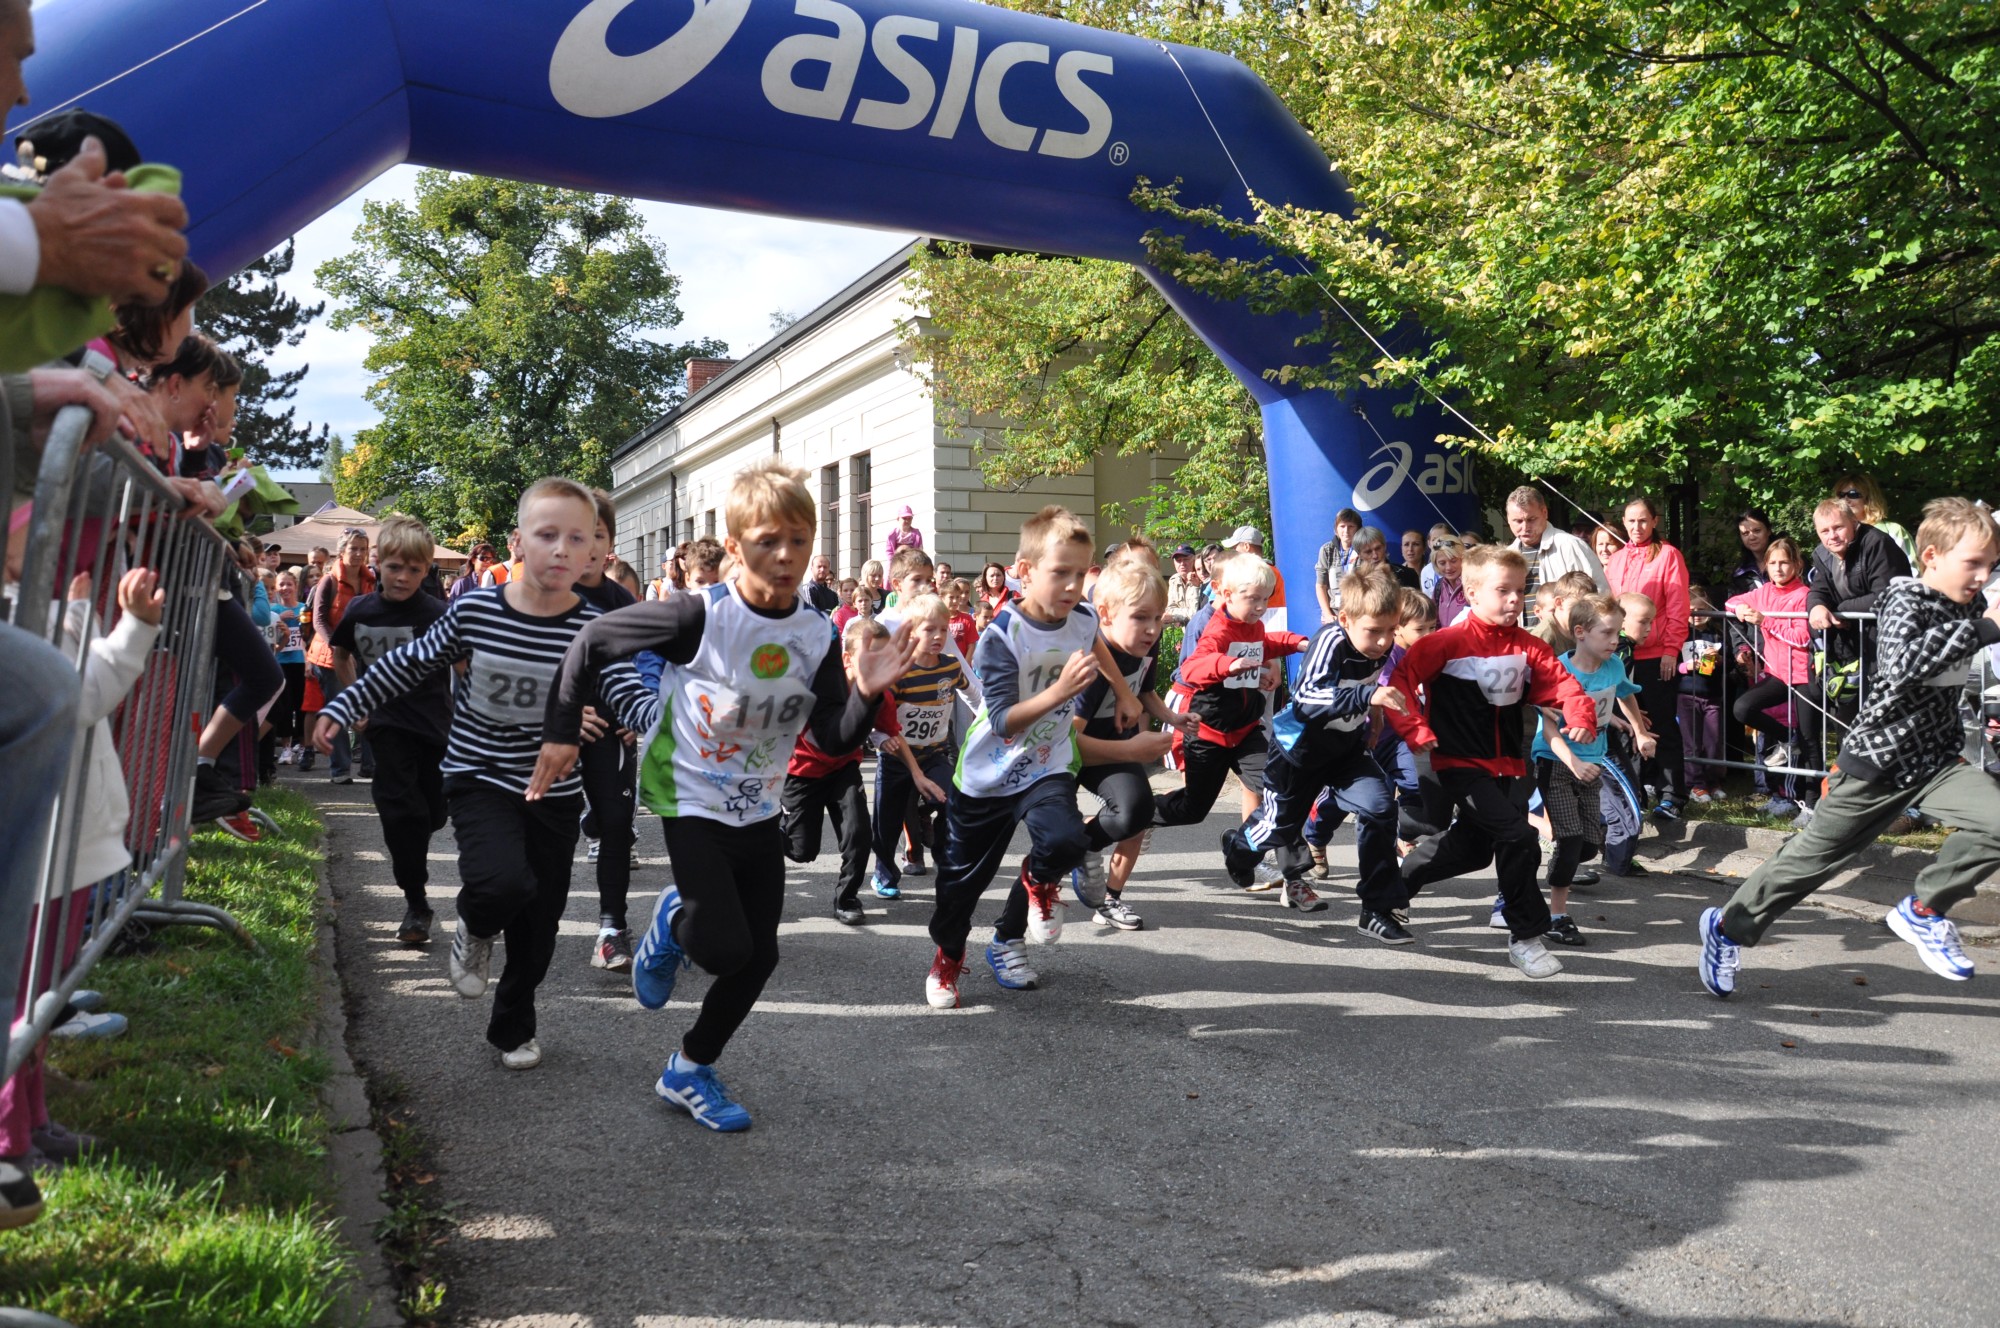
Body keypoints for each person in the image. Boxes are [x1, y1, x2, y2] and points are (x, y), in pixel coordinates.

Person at [533, 458, 913, 1130]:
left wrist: (863, 693)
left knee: (759, 958)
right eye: (768, 541)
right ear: (735, 547)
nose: (786, 555)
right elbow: (590, 641)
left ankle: (688, 1068)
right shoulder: (699, 615)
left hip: (758, 804)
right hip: (688, 795)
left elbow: (830, 733)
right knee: (721, 949)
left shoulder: (816, 632)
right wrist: (562, 732)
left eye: (799, 540)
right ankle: (674, 923)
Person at [314, 478, 608, 1073]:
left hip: (555, 790)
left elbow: (626, 686)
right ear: (519, 541)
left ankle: (513, 1025)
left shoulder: (594, 626)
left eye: (577, 538)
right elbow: (408, 663)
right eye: (546, 534)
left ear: (592, 551)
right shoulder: (475, 609)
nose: (560, 548)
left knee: (540, 924)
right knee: (502, 885)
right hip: (480, 774)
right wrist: (345, 703)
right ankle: (475, 921)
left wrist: (649, 717)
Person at [1698, 498, 2000, 997]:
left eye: (1990, 565)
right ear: (1932, 556)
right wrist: (1986, 627)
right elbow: (1902, 666)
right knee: (1812, 861)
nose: (1983, 575)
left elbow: (1949, 676)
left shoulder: (1966, 606)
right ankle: (1728, 928)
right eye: (1974, 563)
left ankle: (1923, 910)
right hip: (1877, 762)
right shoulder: (1905, 599)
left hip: (1936, 762)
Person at [0, 566, 161, 1188]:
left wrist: (87, 616)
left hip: (69, 841)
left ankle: (33, 1117)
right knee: (24, 998)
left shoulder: (43, 601)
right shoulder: (22, 614)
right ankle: (10, 1137)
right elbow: (81, 696)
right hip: (43, 841)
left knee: (45, 994)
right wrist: (132, 628)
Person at [922, 505, 1106, 1007]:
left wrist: (1124, 693)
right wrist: (1061, 691)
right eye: (1060, 573)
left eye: (1080, 574)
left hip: (1046, 761)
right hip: (988, 773)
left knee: (1066, 840)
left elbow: (1095, 640)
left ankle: (1038, 880)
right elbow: (1003, 721)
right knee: (959, 887)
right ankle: (948, 956)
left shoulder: (1083, 615)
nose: (1072, 586)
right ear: (1024, 571)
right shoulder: (1000, 636)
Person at [1384, 544, 1595, 974]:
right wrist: (1416, 729)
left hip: (1509, 765)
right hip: (1458, 764)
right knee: (1519, 837)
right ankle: (1526, 937)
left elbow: (1562, 684)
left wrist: (1580, 714)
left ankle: (1391, 889)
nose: (1515, 599)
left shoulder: (1528, 646)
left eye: (1520, 590)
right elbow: (1400, 684)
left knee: (1472, 851)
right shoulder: (1445, 643)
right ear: (1473, 593)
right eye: (1503, 590)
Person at [1223, 566, 1409, 934]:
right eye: (1374, 631)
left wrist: (1373, 716)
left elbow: (1367, 682)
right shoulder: (1331, 641)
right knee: (1277, 828)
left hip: (1346, 751)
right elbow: (1308, 699)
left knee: (1380, 808)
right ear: (1345, 619)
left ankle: (1377, 910)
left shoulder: (1378, 642)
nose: (1384, 642)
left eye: (1392, 630)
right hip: (1299, 754)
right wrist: (1368, 697)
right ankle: (1238, 848)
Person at [329, 515, 452, 946]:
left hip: (434, 728)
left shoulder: (438, 614)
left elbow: (465, 665)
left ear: (426, 570)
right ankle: (416, 903)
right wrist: (357, 700)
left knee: (432, 814)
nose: (402, 577)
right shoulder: (361, 610)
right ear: (378, 563)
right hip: (385, 726)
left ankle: (425, 826)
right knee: (401, 815)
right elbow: (340, 654)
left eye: (414, 570)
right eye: (395, 567)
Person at [1152, 552, 1309, 872]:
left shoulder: (1251, 623)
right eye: (1254, 599)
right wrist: (1229, 665)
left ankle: (1288, 872)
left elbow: (1263, 644)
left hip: (1245, 729)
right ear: (1224, 593)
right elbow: (1192, 669)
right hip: (1209, 730)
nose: (1261, 607)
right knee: (1193, 808)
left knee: (1278, 790)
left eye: (1265, 599)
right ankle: (1136, 814)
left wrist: (1298, 643)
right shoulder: (1213, 625)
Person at [1068, 560, 1193, 930]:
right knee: (1053, 840)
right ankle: (1017, 918)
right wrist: (1132, 750)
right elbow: (1069, 746)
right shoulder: (1089, 664)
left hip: (1113, 741)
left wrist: (1173, 718)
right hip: (1068, 755)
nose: (1152, 629)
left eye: (1157, 617)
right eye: (1140, 617)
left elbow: (1145, 691)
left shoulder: (1144, 645)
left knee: (1137, 813)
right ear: (1105, 615)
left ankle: (1109, 898)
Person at [786, 617, 929, 926]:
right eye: (871, 655)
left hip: (843, 770)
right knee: (802, 851)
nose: (878, 663)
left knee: (859, 834)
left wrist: (917, 773)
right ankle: (765, 832)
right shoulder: (815, 684)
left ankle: (847, 898)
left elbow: (891, 733)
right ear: (847, 658)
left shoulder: (881, 695)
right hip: (801, 772)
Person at [1531, 594, 1643, 946]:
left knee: (1590, 845)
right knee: (1570, 840)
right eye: (1607, 633)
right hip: (1556, 760)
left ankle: (1552, 859)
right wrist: (1574, 762)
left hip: (1592, 761)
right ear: (1580, 632)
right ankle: (1557, 916)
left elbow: (1625, 695)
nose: (1615, 640)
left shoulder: (1614, 666)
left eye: (1618, 633)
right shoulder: (1559, 671)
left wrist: (1639, 730)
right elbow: (1548, 729)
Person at [570, 490, 640, 972]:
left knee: (616, 823)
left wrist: (636, 712)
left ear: (610, 543)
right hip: (553, 728)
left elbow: (641, 664)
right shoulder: (544, 595)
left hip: (610, 727)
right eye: (579, 535)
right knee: (547, 834)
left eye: (598, 535)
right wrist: (564, 711)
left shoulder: (622, 602)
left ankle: (611, 929)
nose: (589, 546)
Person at [867, 593, 966, 902]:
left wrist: (993, 721)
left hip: (933, 755)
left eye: (943, 629)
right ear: (911, 631)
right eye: (929, 629)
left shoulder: (950, 667)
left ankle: (943, 858)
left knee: (953, 802)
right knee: (886, 823)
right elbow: (877, 718)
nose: (938, 636)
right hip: (896, 758)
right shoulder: (899, 672)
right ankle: (884, 874)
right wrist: (882, 740)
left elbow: (973, 694)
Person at [1603, 496, 1691, 819]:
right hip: (1621, 653)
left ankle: (1672, 795)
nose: (1637, 527)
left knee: (1662, 722)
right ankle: (1635, 793)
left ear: (1654, 521)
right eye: (1631, 521)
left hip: (1656, 654)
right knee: (1629, 724)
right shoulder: (1616, 560)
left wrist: (1671, 650)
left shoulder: (1668, 555)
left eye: (1643, 520)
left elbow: (1678, 606)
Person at [1727, 537, 1814, 817]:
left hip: (1801, 676)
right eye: (1773, 563)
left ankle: (1808, 804)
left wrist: (1766, 621)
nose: (1778, 568)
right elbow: (1731, 602)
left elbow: (1802, 637)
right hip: (1775, 673)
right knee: (1744, 708)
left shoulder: (1804, 594)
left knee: (1810, 742)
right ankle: (1788, 742)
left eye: (1784, 562)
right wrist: (1740, 609)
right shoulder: (1764, 591)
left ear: (1797, 564)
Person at [307, 526, 376, 785]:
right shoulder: (329, 581)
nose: (358, 554)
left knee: (368, 706)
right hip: (331, 653)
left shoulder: (371, 580)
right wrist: (338, 647)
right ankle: (340, 770)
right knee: (340, 707)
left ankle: (370, 766)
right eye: (353, 549)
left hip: (363, 651)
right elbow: (319, 621)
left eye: (362, 549)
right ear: (341, 551)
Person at [1504, 486, 1608, 629]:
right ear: (1508, 519)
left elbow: (1601, 596)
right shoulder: (1506, 556)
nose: (1525, 527)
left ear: (1544, 513)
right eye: (1518, 521)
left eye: (1531, 519)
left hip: (1567, 637)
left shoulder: (1571, 546)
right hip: (1521, 637)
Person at [1676, 585, 1727, 803]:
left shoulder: (1717, 633)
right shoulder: (1679, 634)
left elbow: (1729, 663)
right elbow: (1671, 665)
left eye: (1700, 610)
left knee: (1713, 742)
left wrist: (1720, 660)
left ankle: (1713, 782)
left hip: (1712, 695)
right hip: (1687, 695)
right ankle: (1695, 784)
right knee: (1691, 743)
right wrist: (1686, 666)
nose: (1696, 615)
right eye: (1691, 610)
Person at [268, 570, 308, 765]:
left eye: (289, 584)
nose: (285, 588)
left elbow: (309, 635)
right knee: (285, 705)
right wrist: (279, 618)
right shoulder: (272, 610)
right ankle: (286, 747)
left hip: (301, 663)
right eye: (281, 584)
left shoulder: (303, 608)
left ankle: (302, 745)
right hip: (281, 663)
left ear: (296, 586)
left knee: (303, 705)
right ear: (276, 588)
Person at [1832, 473, 1915, 563]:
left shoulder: (1893, 531)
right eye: (1841, 495)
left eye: (1853, 494)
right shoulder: (1834, 535)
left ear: (1868, 498)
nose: (1846, 500)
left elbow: (1913, 568)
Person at [1314, 507, 1364, 623]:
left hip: (1359, 613)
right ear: (1336, 529)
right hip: (1334, 613)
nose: (1346, 531)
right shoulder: (1327, 550)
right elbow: (1321, 586)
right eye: (1342, 526)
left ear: (1358, 529)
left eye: (1351, 526)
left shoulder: (1365, 550)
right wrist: (1328, 614)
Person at [1729, 509, 1775, 598]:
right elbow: (1733, 601)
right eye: (1745, 533)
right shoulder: (1740, 572)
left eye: (1757, 531)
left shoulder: (1789, 562)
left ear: (1768, 530)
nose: (1752, 537)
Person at [1429, 536, 1468, 628]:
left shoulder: (1474, 585)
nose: (1448, 567)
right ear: (1436, 564)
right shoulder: (1439, 587)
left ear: (1463, 559)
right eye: (1442, 563)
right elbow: (1434, 622)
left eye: (1453, 561)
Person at [944, 577, 977, 657]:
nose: (963, 596)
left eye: (967, 592)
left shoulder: (971, 615)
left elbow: (972, 643)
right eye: (961, 592)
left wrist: (966, 662)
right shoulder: (940, 618)